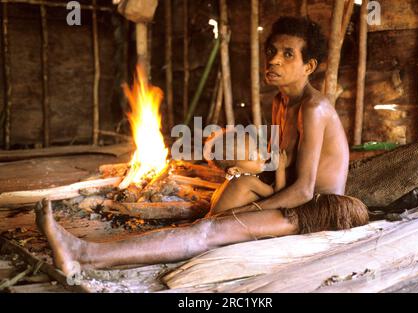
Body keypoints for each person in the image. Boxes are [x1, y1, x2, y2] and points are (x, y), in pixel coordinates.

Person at [35, 16, 369, 276]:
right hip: (297, 197)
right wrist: (240, 172)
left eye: (287, 55)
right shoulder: (282, 102)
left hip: (320, 211)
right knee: (222, 202)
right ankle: (86, 252)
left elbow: (304, 191)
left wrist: (244, 213)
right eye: (271, 51)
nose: (274, 61)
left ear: (309, 66)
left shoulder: (314, 108)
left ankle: (82, 254)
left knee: (209, 229)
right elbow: (282, 164)